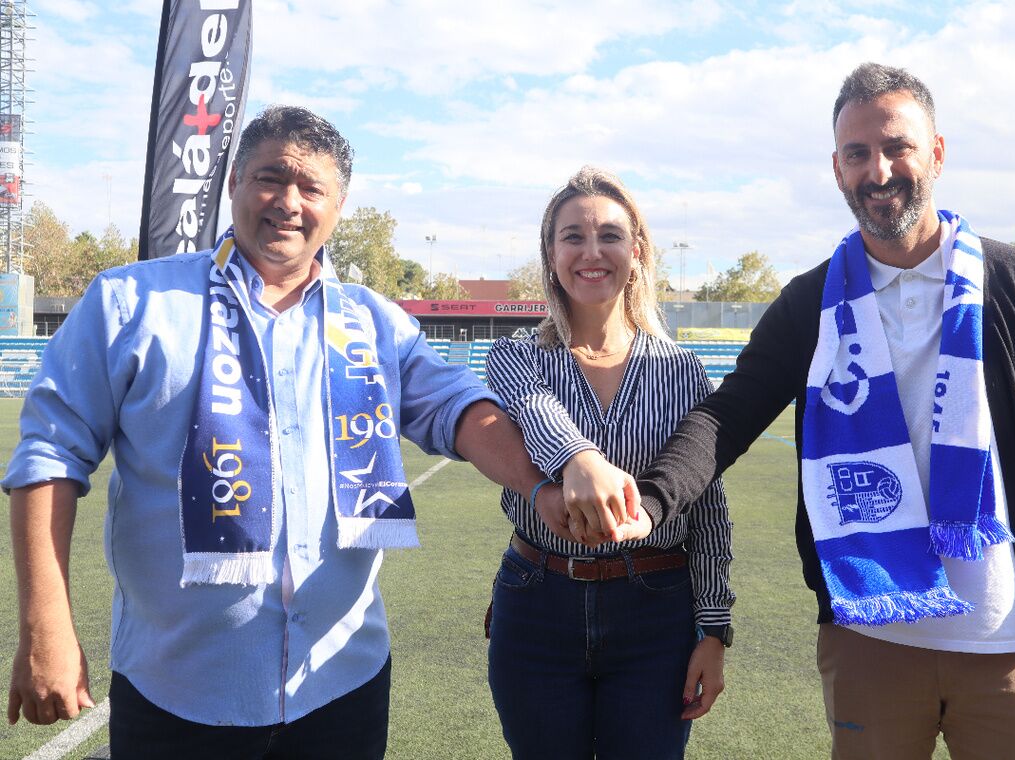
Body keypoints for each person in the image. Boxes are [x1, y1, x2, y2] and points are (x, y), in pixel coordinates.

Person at [568, 63, 1015, 758]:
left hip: (1011, 642)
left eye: (897, 147)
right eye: (858, 154)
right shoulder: (810, 302)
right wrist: (652, 499)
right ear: (836, 169)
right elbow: (727, 416)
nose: (879, 170)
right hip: (869, 637)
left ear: (938, 154)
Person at [4, 105, 586, 759]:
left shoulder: (375, 324)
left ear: (338, 206)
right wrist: (45, 625)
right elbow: (50, 457)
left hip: (342, 685)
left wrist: (541, 489)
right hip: (177, 689)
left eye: (311, 188)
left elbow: (460, 410)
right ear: (233, 185)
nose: (287, 202)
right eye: (269, 178)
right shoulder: (129, 304)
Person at [483, 166, 734, 759]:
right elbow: (534, 406)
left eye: (610, 236)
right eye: (573, 236)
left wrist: (715, 629)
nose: (591, 252)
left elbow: (708, 509)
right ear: (550, 253)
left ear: (638, 251)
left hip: (654, 608)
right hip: (537, 598)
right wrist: (579, 460)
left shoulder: (683, 372)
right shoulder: (516, 357)